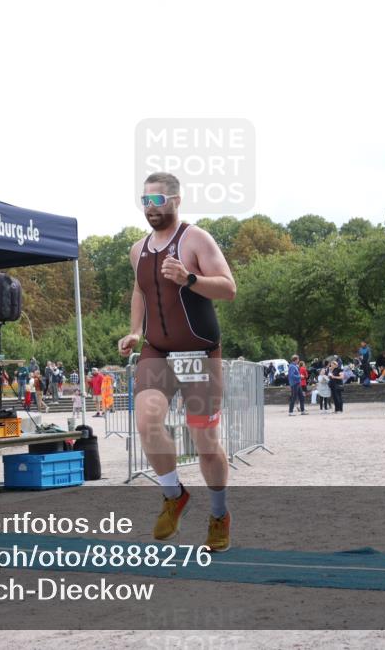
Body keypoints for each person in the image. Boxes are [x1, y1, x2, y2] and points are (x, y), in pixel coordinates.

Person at [116, 171, 237, 552]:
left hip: (199, 353)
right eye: (144, 201)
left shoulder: (196, 239)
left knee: (205, 441)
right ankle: (174, 495)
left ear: (175, 201)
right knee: (146, 421)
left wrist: (189, 279)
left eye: (157, 200)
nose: (150, 208)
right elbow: (140, 289)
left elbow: (229, 288)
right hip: (158, 351)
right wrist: (135, 331)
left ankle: (219, 514)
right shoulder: (138, 249)